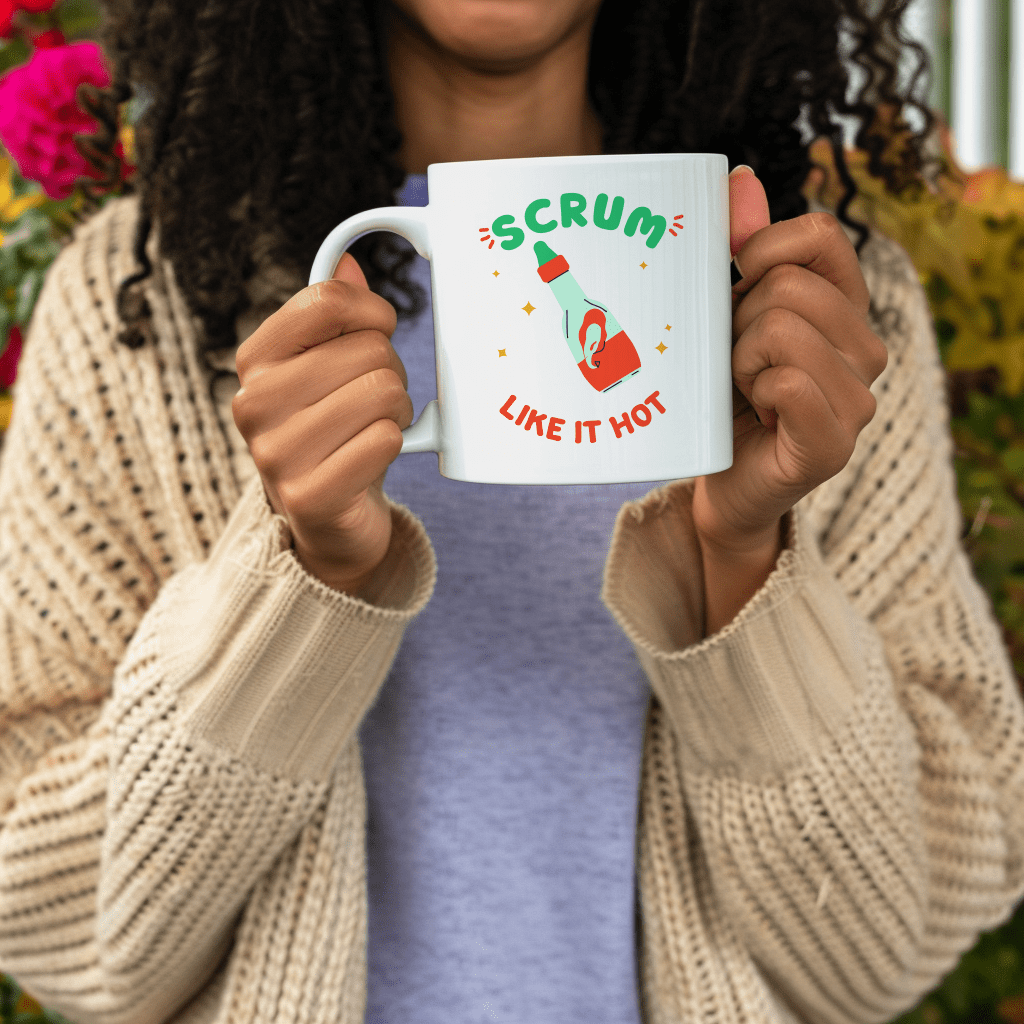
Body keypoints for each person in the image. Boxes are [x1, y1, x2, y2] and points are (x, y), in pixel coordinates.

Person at [1, 0, 1022, 1022]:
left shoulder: (815, 320)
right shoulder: (143, 304)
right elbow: (65, 930)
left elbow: (872, 962)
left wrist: (742, 561)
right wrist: (301, 582)